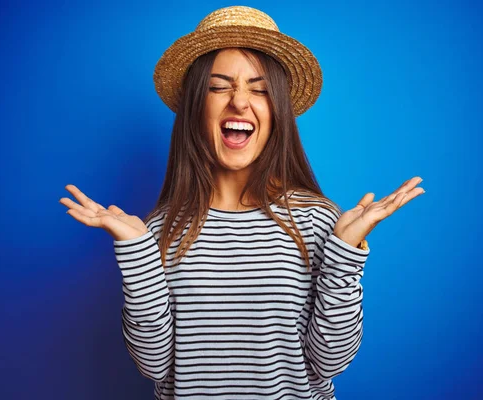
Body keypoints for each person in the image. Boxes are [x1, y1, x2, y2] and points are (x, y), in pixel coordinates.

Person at [59, 5, 425, 399]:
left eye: (260, 88)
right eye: (219, 87)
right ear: (197, 106)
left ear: (278, 110)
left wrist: (344, 256)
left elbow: (330, 362)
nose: (239, 101)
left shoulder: (321, 223)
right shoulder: (156, 232)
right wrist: (136, 254)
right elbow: (154, 366)